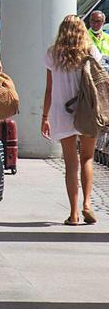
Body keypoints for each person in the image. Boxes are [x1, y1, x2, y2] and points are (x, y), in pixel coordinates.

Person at [42, 15, 101, 226]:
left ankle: (74, 213)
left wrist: (44, 117)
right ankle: (87, 204)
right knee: (87, 158)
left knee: (70, 164)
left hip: (62, 112)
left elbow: (49, 89)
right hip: (86, 111)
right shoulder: (90, 51)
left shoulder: (53, 54)